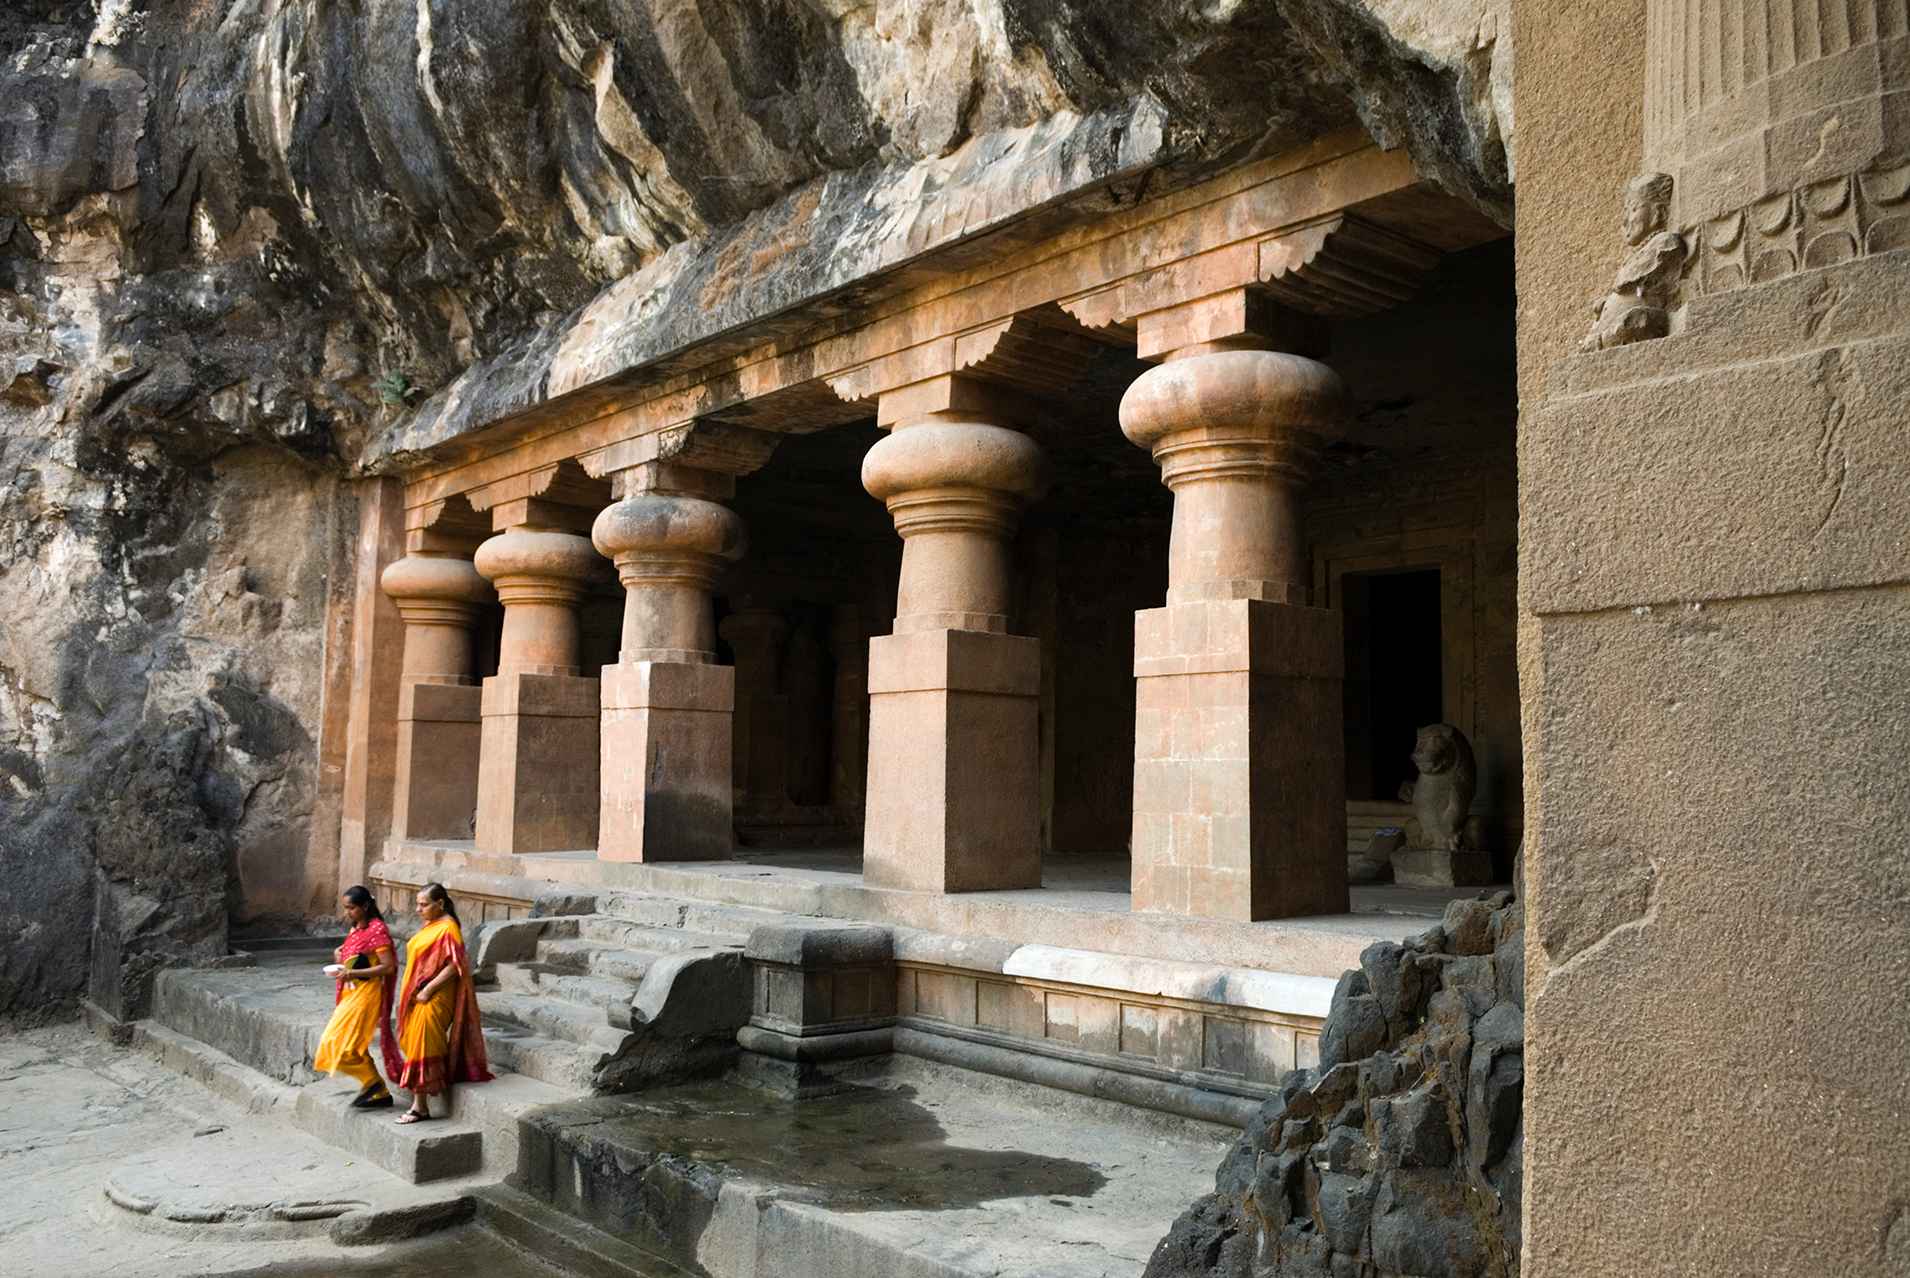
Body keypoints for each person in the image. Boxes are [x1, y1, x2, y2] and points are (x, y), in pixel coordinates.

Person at [393, 882, 492, 1123]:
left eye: (424, 904)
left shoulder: (448, 929)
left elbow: (454, 967)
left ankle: (419, 1106)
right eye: (417, 904)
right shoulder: (431, 924)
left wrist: (429, 989)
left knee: (423, 1043)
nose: (419, 909)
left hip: (436, 996)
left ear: (440, 904)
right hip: (420, 994)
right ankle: (423, 1099)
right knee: (416, 1040)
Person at [312, 885, 401, 1109]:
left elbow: (388, 967)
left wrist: (351, 972)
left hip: (367, 994)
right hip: (351, 992)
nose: (347, 913)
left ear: (365, 906)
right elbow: (350, 948)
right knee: (340, 1045)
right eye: (345, 908)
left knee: (338, 1046)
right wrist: (338, 955)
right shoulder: (357, 928)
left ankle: (373, 1083)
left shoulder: (377, 930)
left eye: (351, 908)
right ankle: (378, 1090)